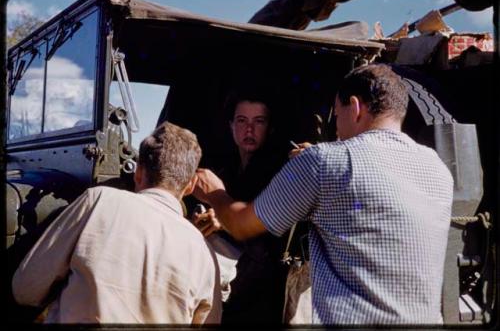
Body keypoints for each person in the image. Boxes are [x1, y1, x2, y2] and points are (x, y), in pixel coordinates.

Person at [193, 64, 454, 325]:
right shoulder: (438, 169)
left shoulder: (324, 162)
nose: (337, 129)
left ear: (355, 107)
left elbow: (241, 224)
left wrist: (214, 193)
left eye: (337, 116)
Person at [12, 122, 222, 324]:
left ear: (138, 173)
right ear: (190, 185)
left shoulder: (98, 201)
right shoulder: (205, 255)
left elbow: (25, 289)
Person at [193, 88, 288, 324]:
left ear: (270, 128)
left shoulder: (278, 174)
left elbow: (271, 242)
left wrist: (224, 223)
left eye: (259, 122)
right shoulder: (225, 170)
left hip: (257, 293)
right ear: (231, 126)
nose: (249, 130)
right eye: (242, 121)